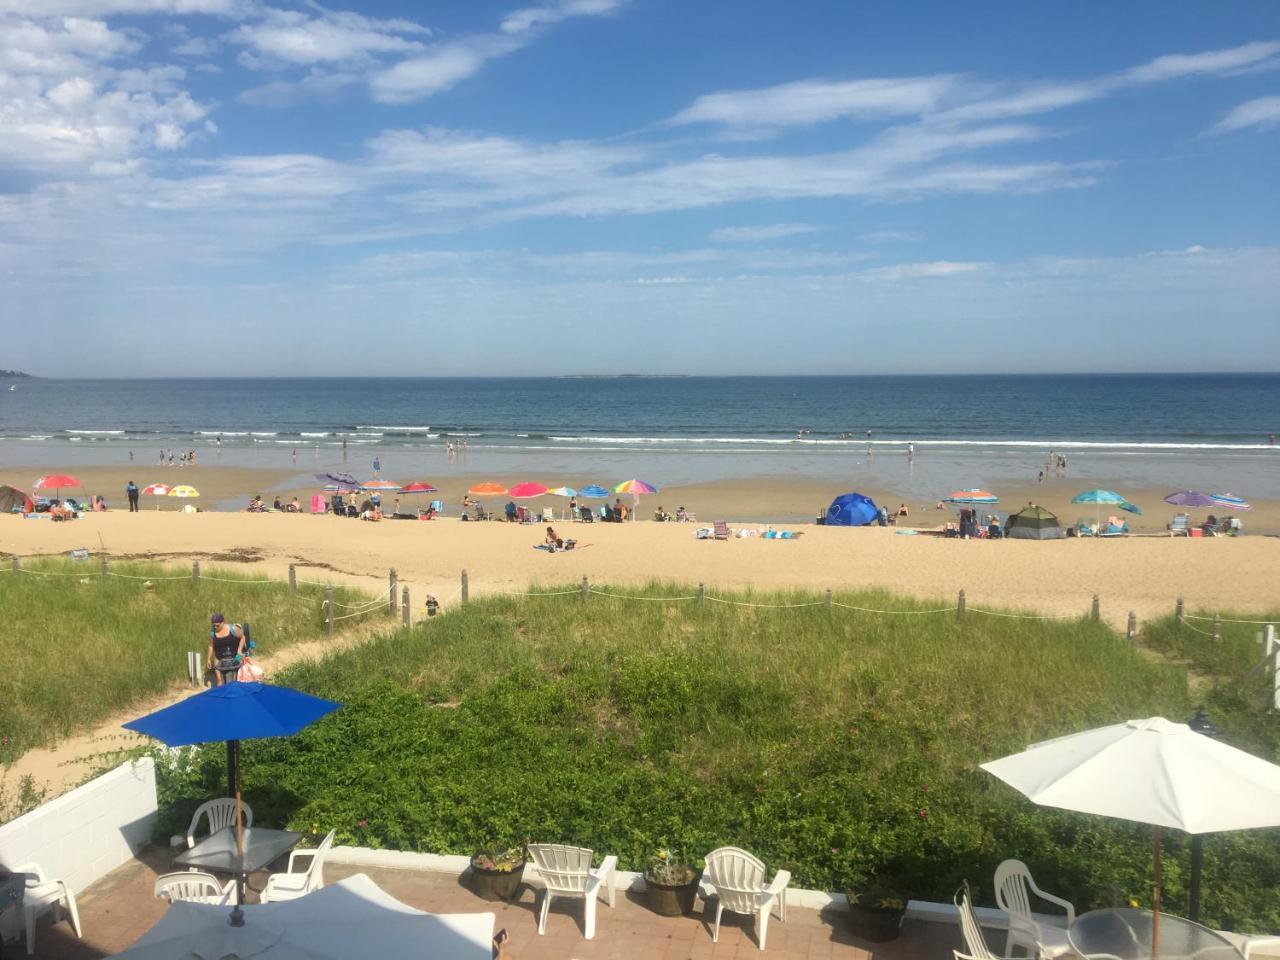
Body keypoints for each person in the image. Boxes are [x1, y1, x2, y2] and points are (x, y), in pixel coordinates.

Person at [206, 613, 245, 686]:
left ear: (223, 623)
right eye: (213, 626)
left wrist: (239, 650)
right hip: (219, 658)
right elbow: (211, 646)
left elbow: (243, 637)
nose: (215, 627)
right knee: (219, 683)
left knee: (236, 682)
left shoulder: (233, 629)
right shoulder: (213, 633)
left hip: (235, 656)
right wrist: (208, 659)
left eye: (217, 625)